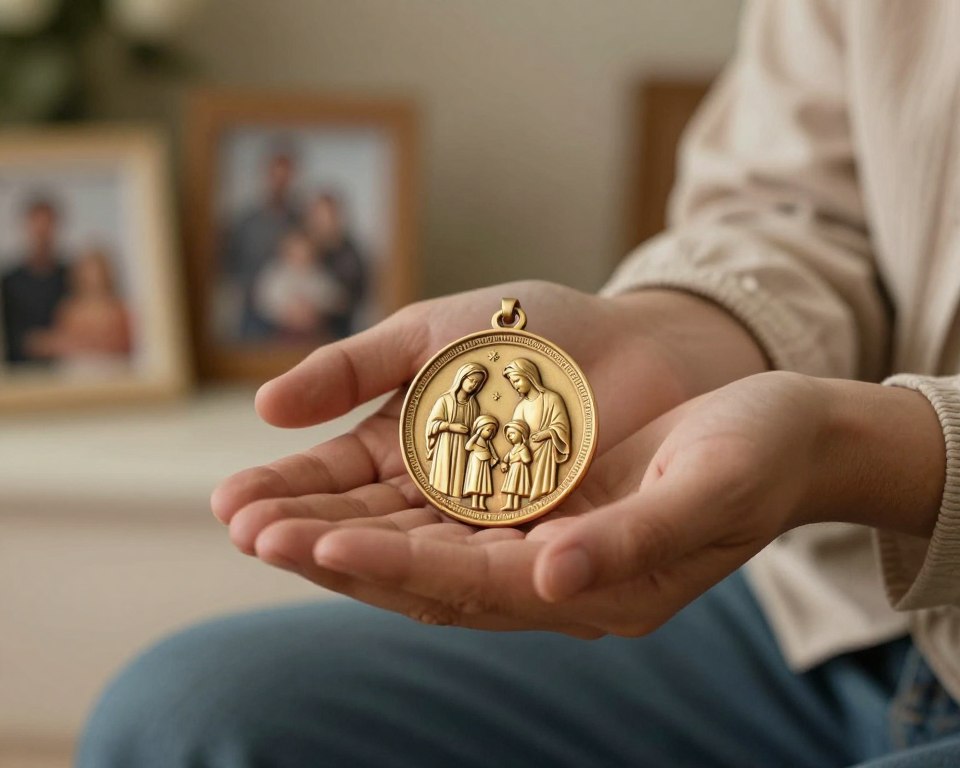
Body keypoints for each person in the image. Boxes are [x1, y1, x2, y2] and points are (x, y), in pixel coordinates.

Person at [79, 2, 960, 766]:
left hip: (855, 527)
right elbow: (798, 206)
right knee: (179, 718)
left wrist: (878, 453)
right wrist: (681, 329)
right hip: (831, 606)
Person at [220, 146, 301, 340]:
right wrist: (256, 291)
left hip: (290, 316)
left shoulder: (300, 220)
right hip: (253, 312)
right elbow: (229, 263)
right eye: (276, 176)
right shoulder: (246, 221)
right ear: (266, 175)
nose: (280, 182)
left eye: (285, 177)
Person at [26, 247, 132, 372]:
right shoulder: (69, 309)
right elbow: (60, 340)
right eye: (87, 270)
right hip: (77, 371)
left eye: (96, 270)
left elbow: (121, 344)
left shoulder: (118, 308)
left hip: (112, 371)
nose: (92, 276)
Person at [0, 197, 68, 364]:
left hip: (65, 373)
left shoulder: (72, 277)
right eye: (37, 229)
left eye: (47, 228)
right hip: (20, 376)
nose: (42, 236)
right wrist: (32, 342)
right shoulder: (8, 282)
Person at [252, 229, 347, 342]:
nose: (301, 256)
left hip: (315, 333)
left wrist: (314, 308)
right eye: (296, 251)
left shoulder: (320, 274)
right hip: (282, 334)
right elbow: (262, 301)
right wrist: (288, 311)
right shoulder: (274, 274)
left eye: (305, 251)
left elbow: (338, 300)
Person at [503, 358, 571, 500]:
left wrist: (546, 434)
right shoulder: (520, 407)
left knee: (541, 486)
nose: (514, 386)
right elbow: (514, 431)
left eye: (516, 380)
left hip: (545, 451)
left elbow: (561, 426)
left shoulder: (552, 399)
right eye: (512, 383)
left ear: (529, 376)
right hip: (526, 453)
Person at [305, 191, 368, 339]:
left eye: (328, 216)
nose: (324, 222)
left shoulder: (351, 254)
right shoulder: (300, 248)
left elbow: (353, 297)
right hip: (297, 336)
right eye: (319, 217)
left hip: (338, 332)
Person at [425, 363, 488, 498]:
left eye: (477, 383)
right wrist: (450, 427)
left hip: (464, 446)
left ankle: (457, 493)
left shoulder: (473, 405)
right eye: (471, 380)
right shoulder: (444, 400)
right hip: (446, 444)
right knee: (445, 472)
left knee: (460, 472)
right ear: (462, 378)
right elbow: (432, 424)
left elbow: (475, 427)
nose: (473, 385)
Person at [463, 414, 501, 510]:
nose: (490, 433)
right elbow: (468, 446)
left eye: (492, 431)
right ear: (480, 429)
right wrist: (476, 435)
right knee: (476, 481)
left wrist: (494, 459)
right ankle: (475, 503)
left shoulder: (488, 442)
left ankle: (481, 503)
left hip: (485, 464)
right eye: (488, 430)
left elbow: (493, 453)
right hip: (476, 462)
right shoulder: (476, 439)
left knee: (483, 482)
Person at [500, 419, 532, 512]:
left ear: (521, 434)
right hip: (512, 470)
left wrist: (520, 457)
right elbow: (505, 459)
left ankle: (516, 504)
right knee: (511, 487)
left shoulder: (523, 448)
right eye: (508, 435)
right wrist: (503, 464)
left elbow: (527, 459)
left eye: (512, 433)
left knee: (517, 487)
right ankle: (509, 504)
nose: (510, 437)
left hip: (519, 469)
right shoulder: (513, 449)